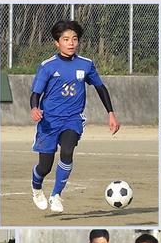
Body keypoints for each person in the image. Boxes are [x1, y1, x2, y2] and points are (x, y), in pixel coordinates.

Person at [30, 20, 120, 213]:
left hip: (72, 119)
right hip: (49, 121)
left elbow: (100, 88)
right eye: (66, 39)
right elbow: (36, 93)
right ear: (57, 43)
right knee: (45, 167)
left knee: (67, 151)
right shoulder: (47, 66)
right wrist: (34, 108)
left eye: (74, 39)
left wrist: (111, 114)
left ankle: (56, 195)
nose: (71, 43)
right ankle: (36, 189)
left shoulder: (86, 64)